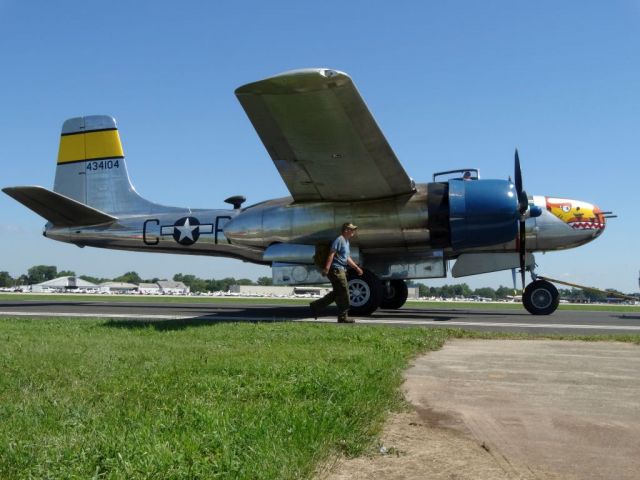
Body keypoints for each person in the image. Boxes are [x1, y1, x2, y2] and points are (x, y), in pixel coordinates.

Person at [310, 223, 363, 323]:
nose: (353, 231)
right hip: (336, 270)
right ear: (346, 230)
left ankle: (316, 306)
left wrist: (356, 268)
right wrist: (326, 268)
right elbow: (331, 253)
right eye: (351, 229)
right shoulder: (339, 240)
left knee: (338, 292)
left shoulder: (346, 242)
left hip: (340, 269)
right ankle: (343, 316)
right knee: (345, 293)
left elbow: (346, 258)